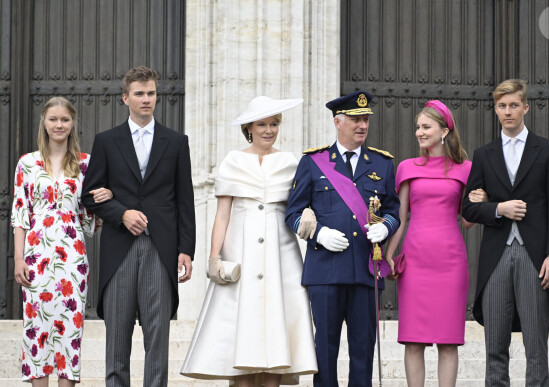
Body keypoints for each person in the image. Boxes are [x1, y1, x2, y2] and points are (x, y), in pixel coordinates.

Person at [180, 96, 318, 387]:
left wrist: (307, 212)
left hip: (281, 257)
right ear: (249, 128)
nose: (269, 130)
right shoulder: (233, 160)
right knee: (241, 338)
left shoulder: (289, 161)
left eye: (274, 124)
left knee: (275, 339)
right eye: (262, 124)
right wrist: (214, 258)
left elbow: (303, 202)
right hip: (240, 255)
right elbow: (222, 216)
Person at [80, 66, 196, 387]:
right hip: (120, 247)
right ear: (125, 97)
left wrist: (187, 250)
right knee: (117, 338)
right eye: (139, 94)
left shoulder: (175, 142)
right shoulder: (106, 141)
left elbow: (185, 200)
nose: (146, 99)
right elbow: (90, 196)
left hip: (161, 248)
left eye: (151, 93)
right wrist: (122, 213)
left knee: (157, 338)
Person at [285, 91, 400, 387]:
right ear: (338, 122)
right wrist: (318, 233)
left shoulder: (382, 164)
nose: (362, 125)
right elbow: (292, 213)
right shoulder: (313, 162)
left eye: (365, 119)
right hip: (325, 270)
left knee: (363, 348)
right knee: (324, 348)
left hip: (365, 269)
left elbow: (393, 211)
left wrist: (385, 227)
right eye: (355, 119)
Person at [462, 79, 549, 386]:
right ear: (495, 109)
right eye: (501, 106)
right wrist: (498, 208)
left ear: (525, 107)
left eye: (513, 105)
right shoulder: (484, 154)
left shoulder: (548, 151)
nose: (508, 112)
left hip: (535, 257)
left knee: (536, 347)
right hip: (496, 256)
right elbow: (468, 209)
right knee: (495, 347)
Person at [11, 97, 112, 386]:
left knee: (70, 328)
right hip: (35, 256)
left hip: (72, 258)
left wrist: (106, 197)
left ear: (72, 123)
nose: (59, 124)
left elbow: (91, 215)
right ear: (44, 122)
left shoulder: (86, 163)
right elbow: (20, 215)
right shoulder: (27, 163)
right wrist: (19, 259)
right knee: (36, 327)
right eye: (53, 119)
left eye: (64, 120)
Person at [385, 100, 483, 386]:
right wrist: (390, 255)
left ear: (444, 130)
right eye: (418, 127)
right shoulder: (406, 167)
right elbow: (400, 219)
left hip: (450, 263)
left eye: (426, 127)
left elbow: (468, 221)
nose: (419, 132)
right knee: (413, 341)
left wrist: (481, 203)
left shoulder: (466, 168)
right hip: (415, 263)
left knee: (447, 341)